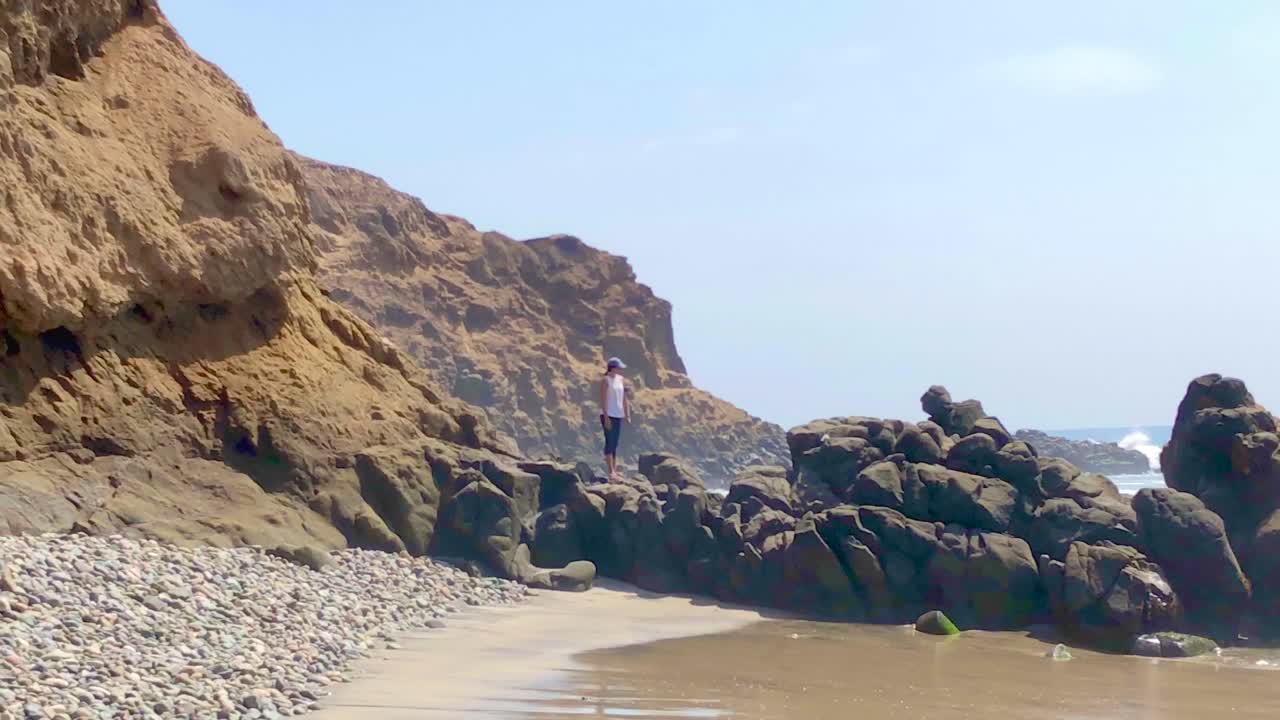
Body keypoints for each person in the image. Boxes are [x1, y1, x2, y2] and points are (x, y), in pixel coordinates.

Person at [598, 356, 630, 479]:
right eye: (619, 367)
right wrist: (606, 417)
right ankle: (611, 472)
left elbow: (624, 398)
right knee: (609, 442)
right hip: (608, 414)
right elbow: (603, 399)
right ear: (613, 368)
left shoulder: (621, 379)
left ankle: (614, 470)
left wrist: (627, 414)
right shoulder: (605, 380)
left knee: (615, 443)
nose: (621, 370)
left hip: (618, 414)